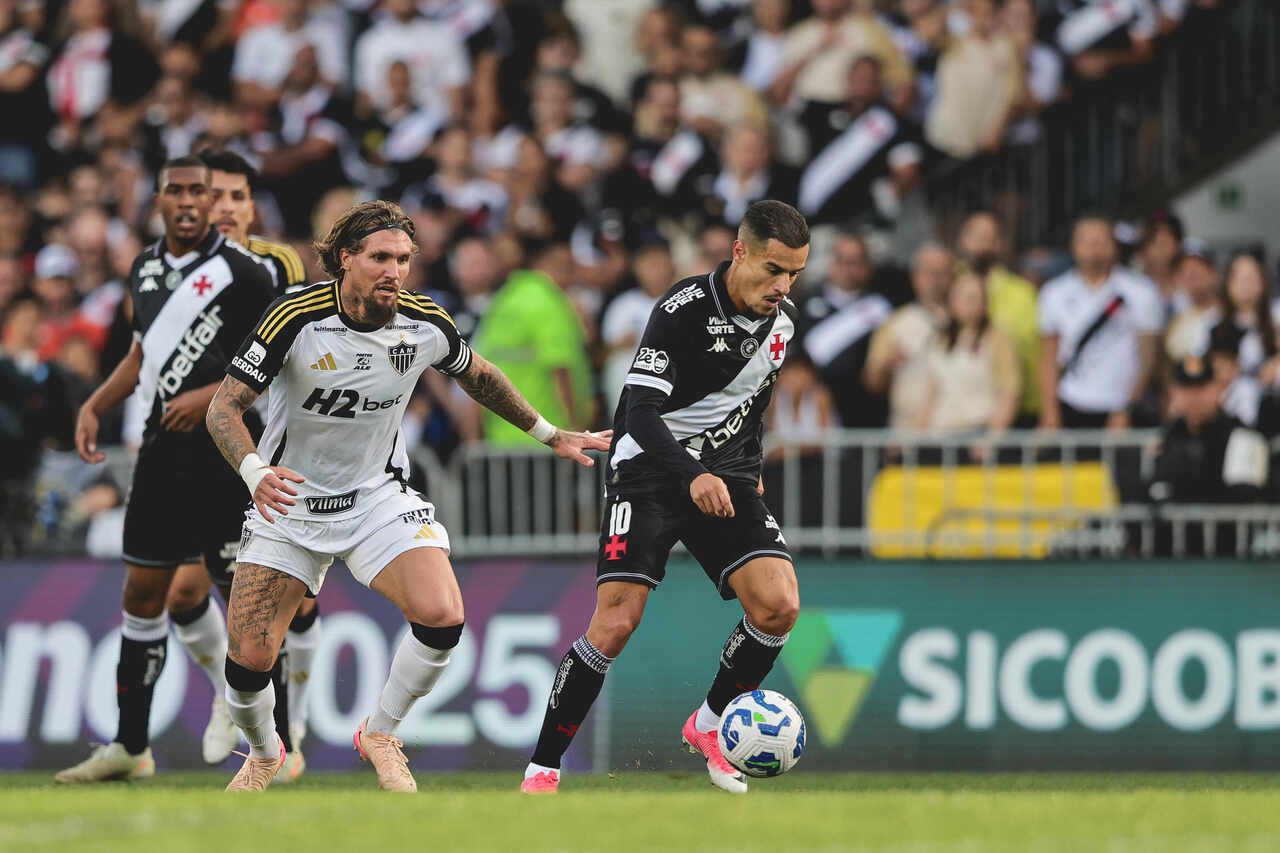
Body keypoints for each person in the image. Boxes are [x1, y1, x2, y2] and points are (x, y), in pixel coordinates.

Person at [204, 200, 609, 792]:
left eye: (402, 259)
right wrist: (254, 472)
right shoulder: (294, 316)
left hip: (376, 498)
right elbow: (224, 407)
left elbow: (482, 378)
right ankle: (266, 752)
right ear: (346, 260)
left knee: (443, 616)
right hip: (286, 501)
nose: (393, 271)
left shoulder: (425, 323)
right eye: (379, 259)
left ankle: (381, 732)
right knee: (248, 660)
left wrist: (549, 433)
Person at [520, 200, 808, 796]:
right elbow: (640, 413)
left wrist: (744, 473)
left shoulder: (783, 326)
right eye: (773, 270)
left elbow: (753, 408)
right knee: (616, 623)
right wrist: (692, 474)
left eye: (794, 275)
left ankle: (707, 725)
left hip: (724, 474)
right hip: (649, 472)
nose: (782, 286)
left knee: (778, 604)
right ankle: (542, 770)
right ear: (739, 252)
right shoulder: (682, 309)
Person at [55, 157, 278, 783]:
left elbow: (271, 363)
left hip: (226, 455)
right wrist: (98, 403)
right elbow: (142, 351)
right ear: (157, 198)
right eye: (175, 190)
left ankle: (268, 745)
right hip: (159, 453)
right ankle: (130, 746)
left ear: (212, 202)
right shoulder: (145, 266)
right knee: (143, 594)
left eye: (198, 192)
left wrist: (209, 394)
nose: (187, 201)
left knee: (244, 599)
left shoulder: (244, 272)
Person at [199, 146, 317, 776]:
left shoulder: (279, 265)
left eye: (235, 197)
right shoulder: (180, 271)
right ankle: (237, 704)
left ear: (251, 205)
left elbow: (305, 341)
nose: (223, 208)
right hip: (202, 443)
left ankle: (286, 731)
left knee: (287, 596)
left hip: (269, 443)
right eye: (212, 195)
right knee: (199, 588)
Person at [1038, 214, 1163, 430]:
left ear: (1114, 245)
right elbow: (1049, 357)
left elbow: (1149, 357)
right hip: (1071, 403)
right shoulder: (1054, 293)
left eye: (1101, 240)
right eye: (1086, 240)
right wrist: (1050, 411)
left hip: (1123, 408)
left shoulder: (1142, 291)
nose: (1094, 247)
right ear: (1074, 246)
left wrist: (1128, 408)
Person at [955, 211, 1041, 420]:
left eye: (991, 238)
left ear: (1001, 243)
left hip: (1017, 409)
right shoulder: (947, 283)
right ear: (962, 240)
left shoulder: (1024, 292)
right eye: (977, 237)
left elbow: (1037, 351)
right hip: (954, 412)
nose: (984, 245)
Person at [917, 270, 1021, 440]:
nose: (969, 302)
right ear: (951, 300)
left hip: (978, 432)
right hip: (940, 432)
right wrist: (918, 436)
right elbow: (932, 392)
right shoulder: (938, 339)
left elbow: (1010, 391)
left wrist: (994, 438)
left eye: (975, 297)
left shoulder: (998, 338)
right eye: (964, 296)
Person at [864, 242, 953, 429]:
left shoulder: (968, 321)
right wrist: (887, 365)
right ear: (915, 277)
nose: (935, 280)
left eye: (942, 273)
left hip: (957, 432)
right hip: (907, 432)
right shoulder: (894, 323)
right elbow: (872, 381)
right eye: (929, 272)